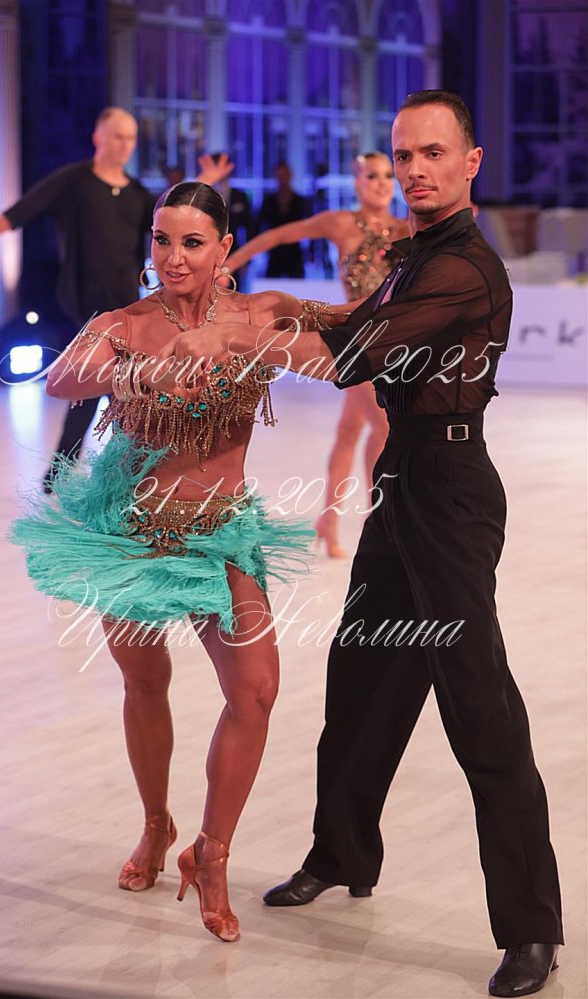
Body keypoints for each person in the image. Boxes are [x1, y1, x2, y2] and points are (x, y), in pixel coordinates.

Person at [158, 93, 563, 996]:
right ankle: (340, 853)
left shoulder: (464, 267)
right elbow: (354, 317)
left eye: (432, 153)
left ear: (471, 162)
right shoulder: (415, 254)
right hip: (405, 479)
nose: (414, 168)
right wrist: (283, 301)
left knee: (480, 707)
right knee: (363, 678)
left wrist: (242, 329)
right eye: (402, 154)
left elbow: (356, 355)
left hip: (451, 494)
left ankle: (533, 927)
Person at [9, 182, 362, 944]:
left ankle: (212, 850)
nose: (173, 257)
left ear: (224, 248)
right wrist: (137, 372)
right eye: (162, 240)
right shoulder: (125, 323)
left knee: (256, 689)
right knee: (145, 682)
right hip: (133, 531)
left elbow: (337, 359)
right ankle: (155, 823)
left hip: (222, 531)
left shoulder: (257, 313)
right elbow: (61, 377)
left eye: (192, 242)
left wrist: (241, 344)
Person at [0, 107, 232, 492]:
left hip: (124, 307)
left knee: (118, 390)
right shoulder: (73, 182)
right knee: (97, 387)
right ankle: (81, 473)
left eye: (131, 138)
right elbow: (19, 213)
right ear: (98, 137)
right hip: (82, 307)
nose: (125, 145)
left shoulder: (137, 194)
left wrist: (204, 183)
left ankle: (96, 473)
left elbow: (175, 216)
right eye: (118, 136)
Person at [227, 152, 408, 557]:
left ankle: (329, 520)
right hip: (354, 344)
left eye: (387, 175)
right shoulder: (340, 223)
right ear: (357, 182)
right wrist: (227, 265)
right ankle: (380, 522)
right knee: (383, 427)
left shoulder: (403, 227)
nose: (381, 183)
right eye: (372, 176)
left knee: (350, 431)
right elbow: (278, 236)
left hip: (391, 345)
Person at [256, 161, 308, 278]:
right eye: (280, 176)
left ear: (290, 176)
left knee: (297, 286)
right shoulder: (269, 202)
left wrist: (310, 251)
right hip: (274, 252)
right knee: (271, 285)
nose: (282, 179)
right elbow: (258, 226)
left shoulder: (300, 202)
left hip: (295, 252)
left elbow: (310, 226)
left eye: (285, 175)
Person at [211, 152, 253, 290]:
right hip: (209, 251)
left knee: (235, 292)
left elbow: (249, 228)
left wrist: (246, 258)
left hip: (234, 253)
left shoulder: (240, 196)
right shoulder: (204, 196)